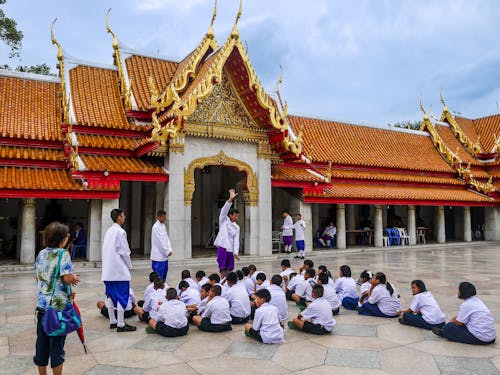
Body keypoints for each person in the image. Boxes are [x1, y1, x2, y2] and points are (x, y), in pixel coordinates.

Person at [34, 222, 80, 375]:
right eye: (67, 235)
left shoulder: (41, 254)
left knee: (41, 345)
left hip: (41, 307)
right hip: (57, 310)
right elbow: (66, 278)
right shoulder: (63, 253)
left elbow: (38, 278)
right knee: (57, 348)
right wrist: (73, 278)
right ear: (61, 238)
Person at [101, 208, 136, 332]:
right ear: (120, 217)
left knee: (110, 295)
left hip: (107, 271)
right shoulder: (120, 232)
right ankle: (121, 324)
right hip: (118, 271)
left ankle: (113, 321)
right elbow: (125, 252)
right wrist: (129, 266)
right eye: (123, 216)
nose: (124, 218)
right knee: (122, 296)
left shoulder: (109, 231)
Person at [214, 189, 240, 271]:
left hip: (230, 249)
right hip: (222, 247)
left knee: (230, 268)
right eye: (235, 216)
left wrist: (236, 252)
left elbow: (236, 240)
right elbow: (223, 211)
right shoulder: (224, 220)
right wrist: (230, 199)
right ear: (230, 215)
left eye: (237, 216)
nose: (236, 218)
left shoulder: (237, 227)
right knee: (222, 267)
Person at [150, 210, 172, 282]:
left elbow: (166, 239)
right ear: (159, 217)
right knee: (158, 277)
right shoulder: (155, 227)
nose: (165, 218)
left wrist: (169, 249)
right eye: (163, 217)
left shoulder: (163, 226)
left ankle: (163, 288)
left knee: (164, 275)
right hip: (158, 257)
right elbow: (159, 242)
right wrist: (166, 251)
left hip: (164, 257)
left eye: (165, 217)